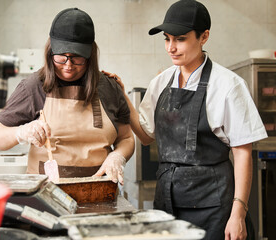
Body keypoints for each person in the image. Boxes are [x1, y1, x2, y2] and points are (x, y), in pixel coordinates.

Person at [104, 0, 267, 239]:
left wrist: (238, 214)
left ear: (204, 37)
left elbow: (242, 152)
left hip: (213, 208)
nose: (171, 47)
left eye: (180, 39)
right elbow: (147, 136)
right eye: (167, 39)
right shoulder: (160, 82)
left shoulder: (228, 85)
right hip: (168, 204)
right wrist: (123, 95)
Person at [0, 8, 134, 184]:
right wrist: (21, 132)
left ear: (90, 55)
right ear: (50, 52)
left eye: (77, 58)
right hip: (45, 194)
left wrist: (117, 156)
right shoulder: (33, 87)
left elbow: (126, 138)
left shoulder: (109, 88)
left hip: (99, 191)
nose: (68, 65)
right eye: (61, 57)